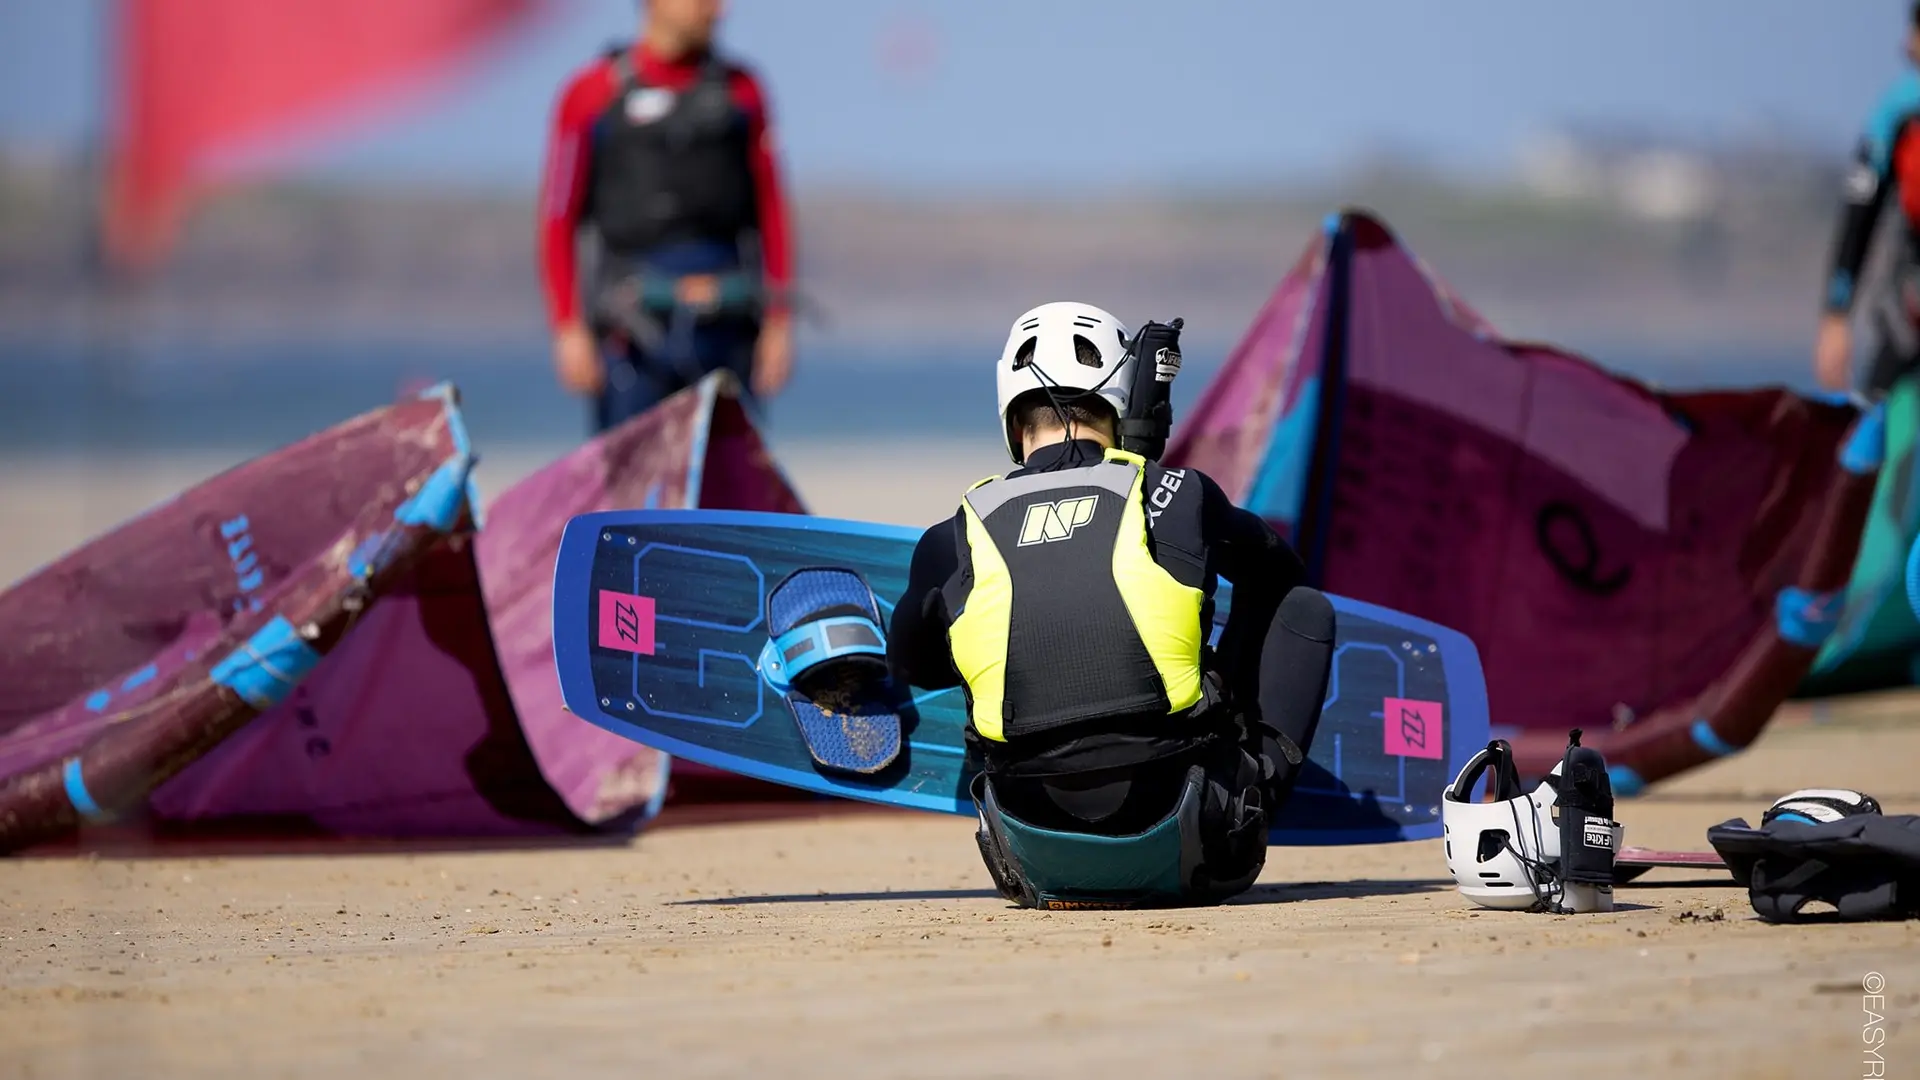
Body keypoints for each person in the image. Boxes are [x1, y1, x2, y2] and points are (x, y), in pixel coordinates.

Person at [886, 302, 1338, 909]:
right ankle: (1247, 801)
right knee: (1303, 608)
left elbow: (912, 666)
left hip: (1034, 862)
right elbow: (1281, 576)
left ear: (1013, 420)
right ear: (1126, 400)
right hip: (1197, 851)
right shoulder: (1180, 493)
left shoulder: (953, 535)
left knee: (977, 656)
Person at [537, 0, 794, 433]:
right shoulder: (590, 94)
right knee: (632, 470)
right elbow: (558, 219)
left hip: (726, 328)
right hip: (634, 335)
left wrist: (779, 321)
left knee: (727, 469)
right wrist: (567, 326)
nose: (718, 10)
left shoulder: (743, 90)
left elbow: (772, 211)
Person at [1814, 1, 1920, 394]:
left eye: (1914, 32)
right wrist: (1836, 315)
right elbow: (1860, 211)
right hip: (1911, 307)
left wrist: (1836, 316)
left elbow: (1859, 216)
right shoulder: (1898, 112)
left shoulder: (1899, 106)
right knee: (1879, 409)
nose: (1905, 46)